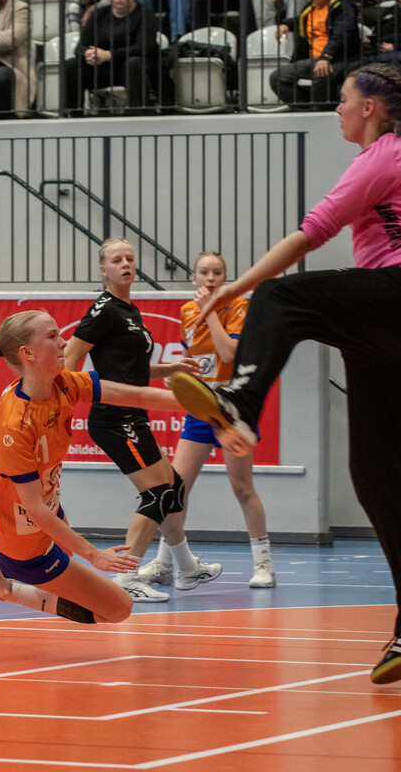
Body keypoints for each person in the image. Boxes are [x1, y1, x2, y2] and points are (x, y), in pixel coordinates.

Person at [168, 63, 401, 685]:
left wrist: (237, 289)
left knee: (281, 297)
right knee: (374, 471)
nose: (337, 109)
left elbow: (311, 234)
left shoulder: (386, 154)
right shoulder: (396, 156)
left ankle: (240, 404)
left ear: (371, 108)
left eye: (343, 100)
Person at [0, 309, 184, 624]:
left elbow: (137, 396)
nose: (64, 343)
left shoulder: (62, 384)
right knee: (118, 608)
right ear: (27, 353)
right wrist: (94, 554)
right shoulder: (14, 425)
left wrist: (203, 407)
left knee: (71, 567)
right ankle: (6, 587)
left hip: (44, 516)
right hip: (21, 540)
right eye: (52, 336)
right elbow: (34, 508)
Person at [63, 239, 219, 603]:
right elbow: (70, 358)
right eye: (117, 260)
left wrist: (171, 368)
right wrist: (65, 404)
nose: (126, 264)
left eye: (130, 258)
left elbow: (131, 370)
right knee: (158, 493)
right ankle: (127, 576)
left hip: (134, 414)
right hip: (114, 418)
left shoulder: (129, 311)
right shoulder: (104, 309)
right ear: (103, 270)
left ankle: (187, 568)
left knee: (173, 487)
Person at [137, 251, 275, 590]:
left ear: (225, 278)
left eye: (217, 273)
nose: (211, 278)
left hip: (233, 410)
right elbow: (192, 353)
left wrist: (209, 310)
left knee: (242, 488)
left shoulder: (239, 307)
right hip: (201, 410)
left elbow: (228, 352)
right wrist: (179, 375)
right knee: (175, 489)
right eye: (204, 272)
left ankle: (264, 564)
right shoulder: (187, 311)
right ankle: (166, 562)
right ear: (194, 278)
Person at [61, 0, 163, 116]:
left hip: (134, 69)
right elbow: (79, 48)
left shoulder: (145, 16)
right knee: (72, 65)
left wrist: (109, 55)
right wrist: (88, 54)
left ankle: (137, 114)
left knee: (133, 63)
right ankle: (73, 115)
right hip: (103, 69)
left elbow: (144, 47)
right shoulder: (98, 15)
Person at [270, 0, 359, 111]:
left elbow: (340, 36)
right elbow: (299, 20)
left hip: (340, 59)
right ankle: (307, 111)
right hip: (315, 60)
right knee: (277, 77)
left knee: (321, 73)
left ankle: (321, 112)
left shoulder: (342, 7)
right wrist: (286, 24)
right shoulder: (310, 9)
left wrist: (326, 57)